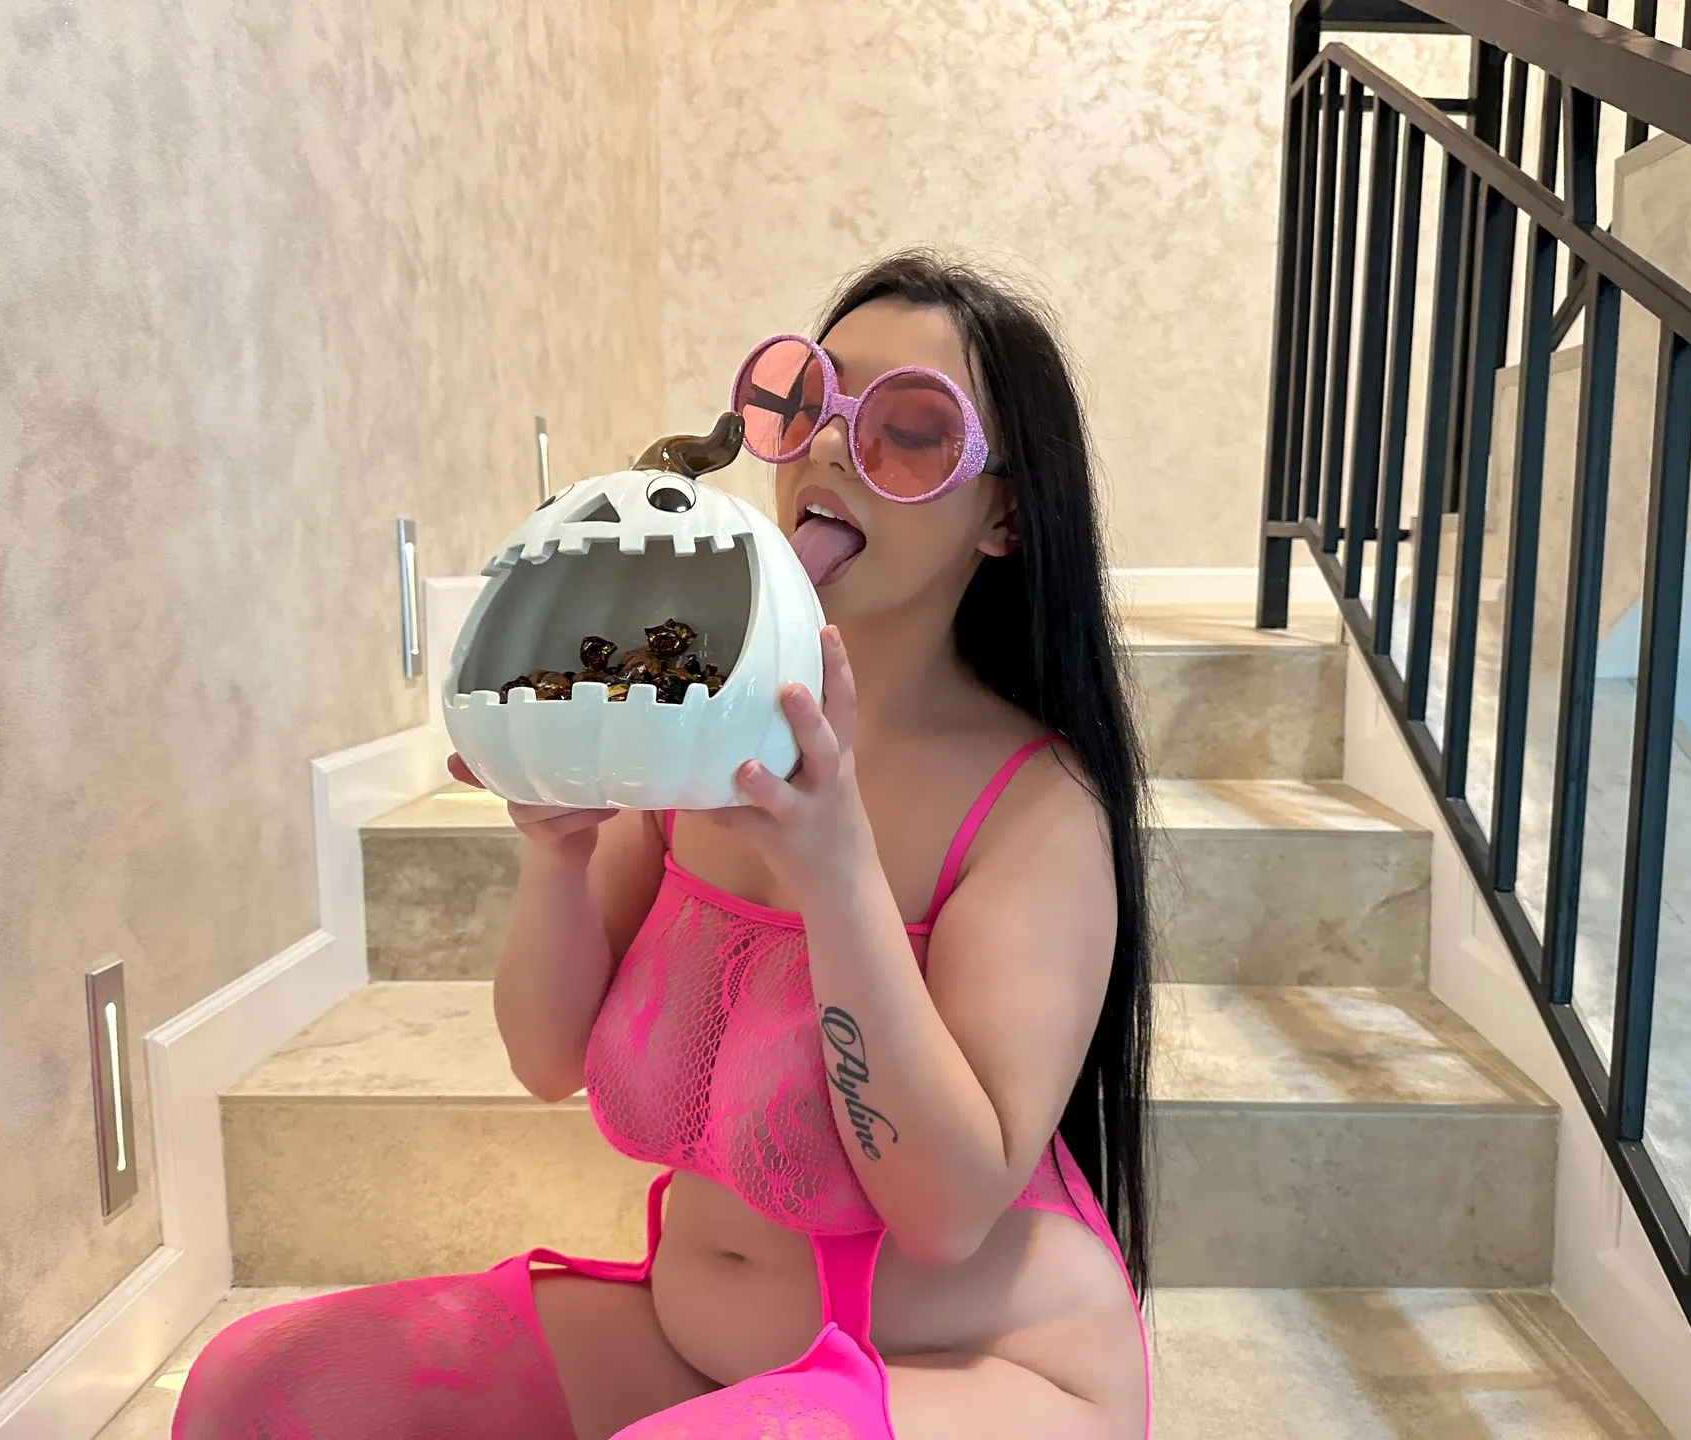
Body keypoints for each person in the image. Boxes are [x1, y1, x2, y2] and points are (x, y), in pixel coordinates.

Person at [174, 250, 1154, 1439]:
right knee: (260, 1389)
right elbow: (545, 1057)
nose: (829, 450)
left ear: (1004, 517)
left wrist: (838, 875)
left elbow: (945, 1213)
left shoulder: (1035, 806)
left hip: (981, 1372)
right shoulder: (696, 728)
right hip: (699, 1350)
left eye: (908, 431)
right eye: (805, 401)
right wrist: (557, 854)